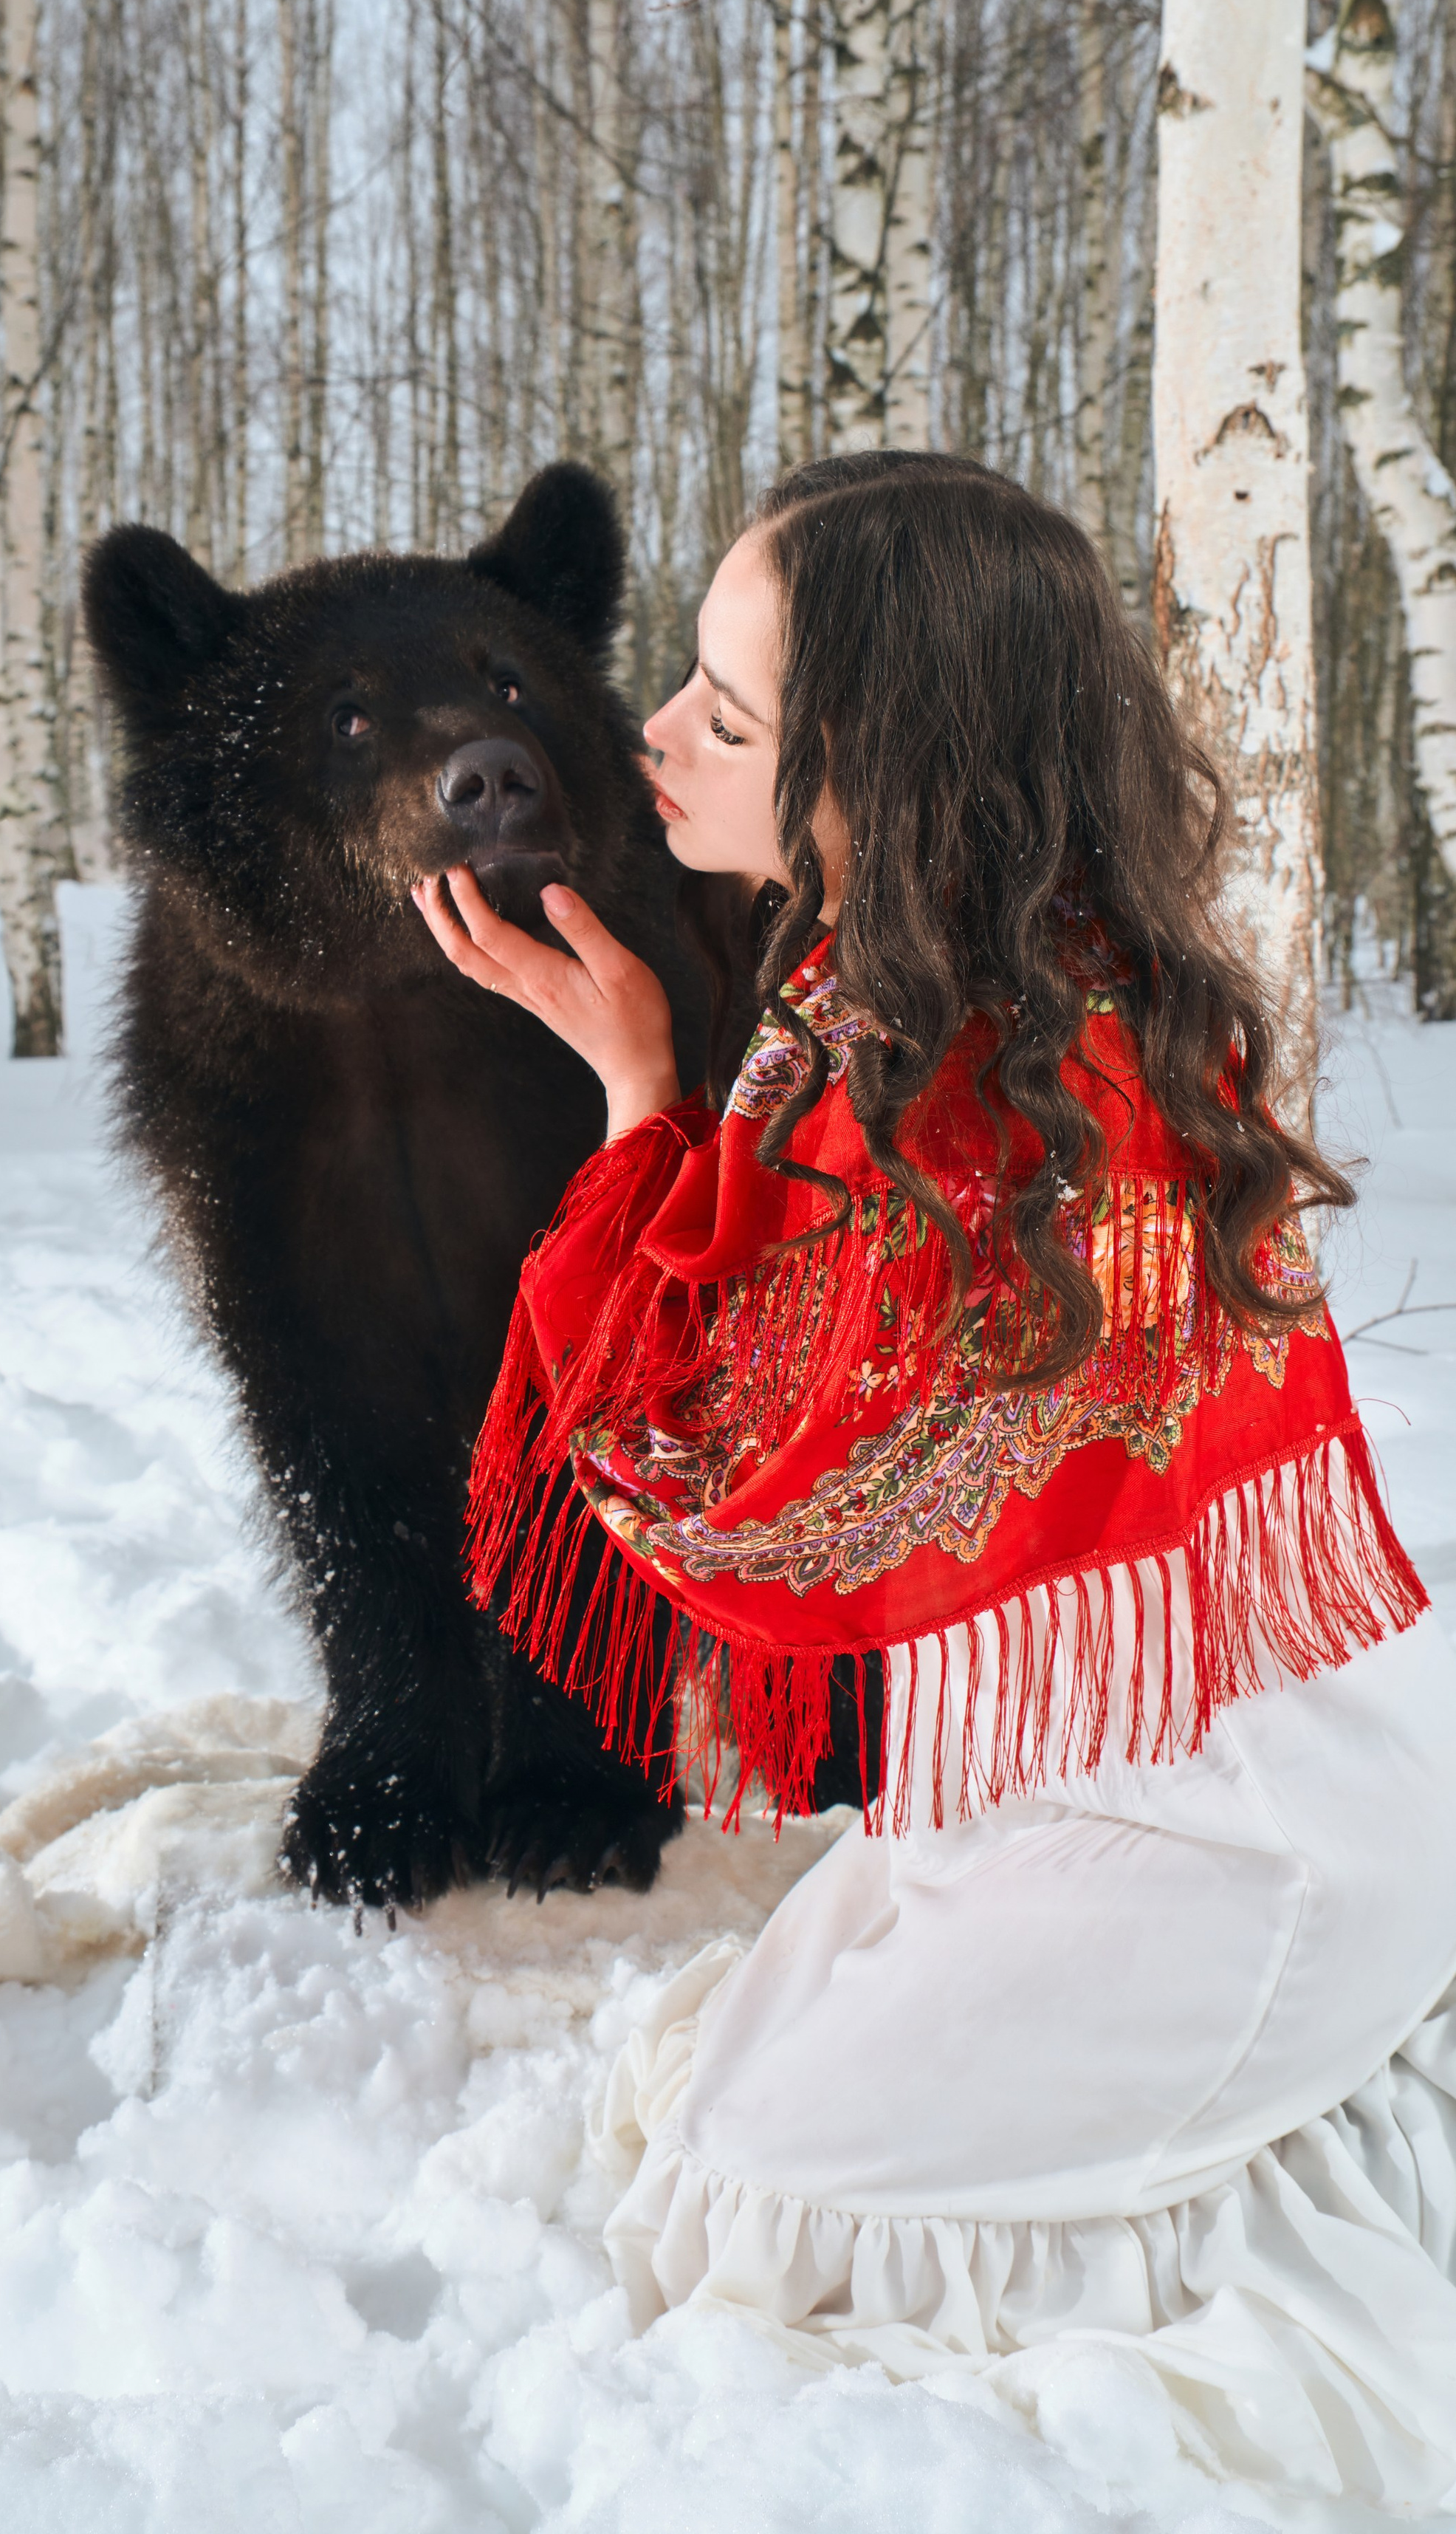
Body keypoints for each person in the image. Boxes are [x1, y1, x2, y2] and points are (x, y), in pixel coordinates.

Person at [411, 454, 1456, 2511]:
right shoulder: (928, 988)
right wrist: (651, 1083)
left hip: (1228, 1835)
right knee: (741, 2096)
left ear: (878, 777)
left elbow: (728, 1500)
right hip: (1094, 1764)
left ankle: (1274, 2151)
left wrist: (633, 1102)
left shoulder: (993, 1097)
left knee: (769, 2192)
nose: (658, 737)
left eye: (727, 712)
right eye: (686, 688)